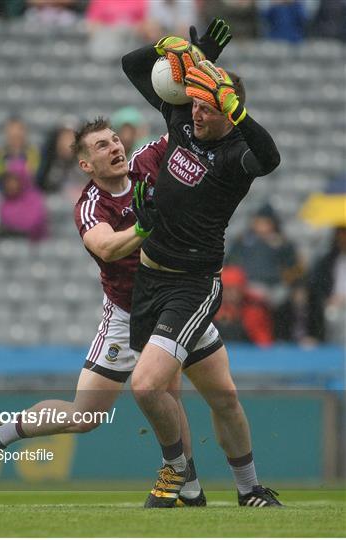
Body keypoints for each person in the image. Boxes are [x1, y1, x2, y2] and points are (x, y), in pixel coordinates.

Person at [0, 119, 226, 506]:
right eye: (102, 146)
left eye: (115, 140)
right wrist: (145, 228)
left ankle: (188, 485)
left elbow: (182, 126)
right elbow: (106, 248)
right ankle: (0, 435)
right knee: (84, 416)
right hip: (126, 315)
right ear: (86, 164)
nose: (115, 147)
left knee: (171, 392)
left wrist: (200, 69)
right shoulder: (89, 206)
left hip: (174, 300)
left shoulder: (147, 163)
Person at [121, 19, 282, 507]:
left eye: (207, 106)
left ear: (229, 112)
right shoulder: (181, 120)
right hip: (150, 279)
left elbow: (270, 156)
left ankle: (183, 478)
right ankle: (238, 488)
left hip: (193, 285)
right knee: (224, 396)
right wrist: (185, 51)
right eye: (192, 101)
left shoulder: (238, 154)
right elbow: (133, 66)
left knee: (146, 386)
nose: (194, 111)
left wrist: (232, 104)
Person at [214, 266, 274, 346]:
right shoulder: (211, 309)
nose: (229, 294)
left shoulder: (254, 311)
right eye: (225, 289)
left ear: (241, 290)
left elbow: (264, 343)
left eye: (233, 289)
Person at [0, 159, 48, 242]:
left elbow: (32, 224)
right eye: (8, 181)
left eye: (14, 181)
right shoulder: (3, 201)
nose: (10, 185)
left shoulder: (35, 198)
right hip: (9, 245)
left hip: (33, 246)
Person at [0, 116, 40, 186]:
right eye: (12, 130)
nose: (16, 133)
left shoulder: (33, 152)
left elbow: (34, 175)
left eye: (20, 129)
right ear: (6, 133)